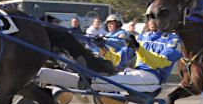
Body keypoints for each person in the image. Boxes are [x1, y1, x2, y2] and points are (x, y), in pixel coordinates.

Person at [38, 17, 182, 94]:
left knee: (98, 80)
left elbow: (161, 63)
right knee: (98, 76)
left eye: (154, 17)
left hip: (152, 78)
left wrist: (138, 48)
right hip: (132, 73)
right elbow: (118, 59)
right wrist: (103, 48)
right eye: (149, 17)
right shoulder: (143, 36)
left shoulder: (173, 40)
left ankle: (78, 73)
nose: (150, 20)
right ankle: (41, 74)